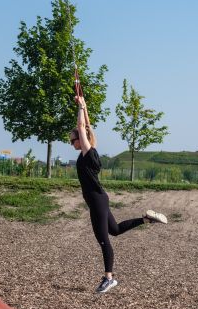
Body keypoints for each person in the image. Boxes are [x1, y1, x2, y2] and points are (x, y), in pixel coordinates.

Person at [70, 94, 167, 294]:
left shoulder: (88, 154)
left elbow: (82, 128)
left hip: (97, 201)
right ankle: (146, 219)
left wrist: (80, 107)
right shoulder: (91, 151)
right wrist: (85, 107)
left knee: (104, 239)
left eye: (73, 141)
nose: (72, 144)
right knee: (114, 230)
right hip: (99, 199)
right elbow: (86, 127)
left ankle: (109, 278)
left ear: (81, 140)